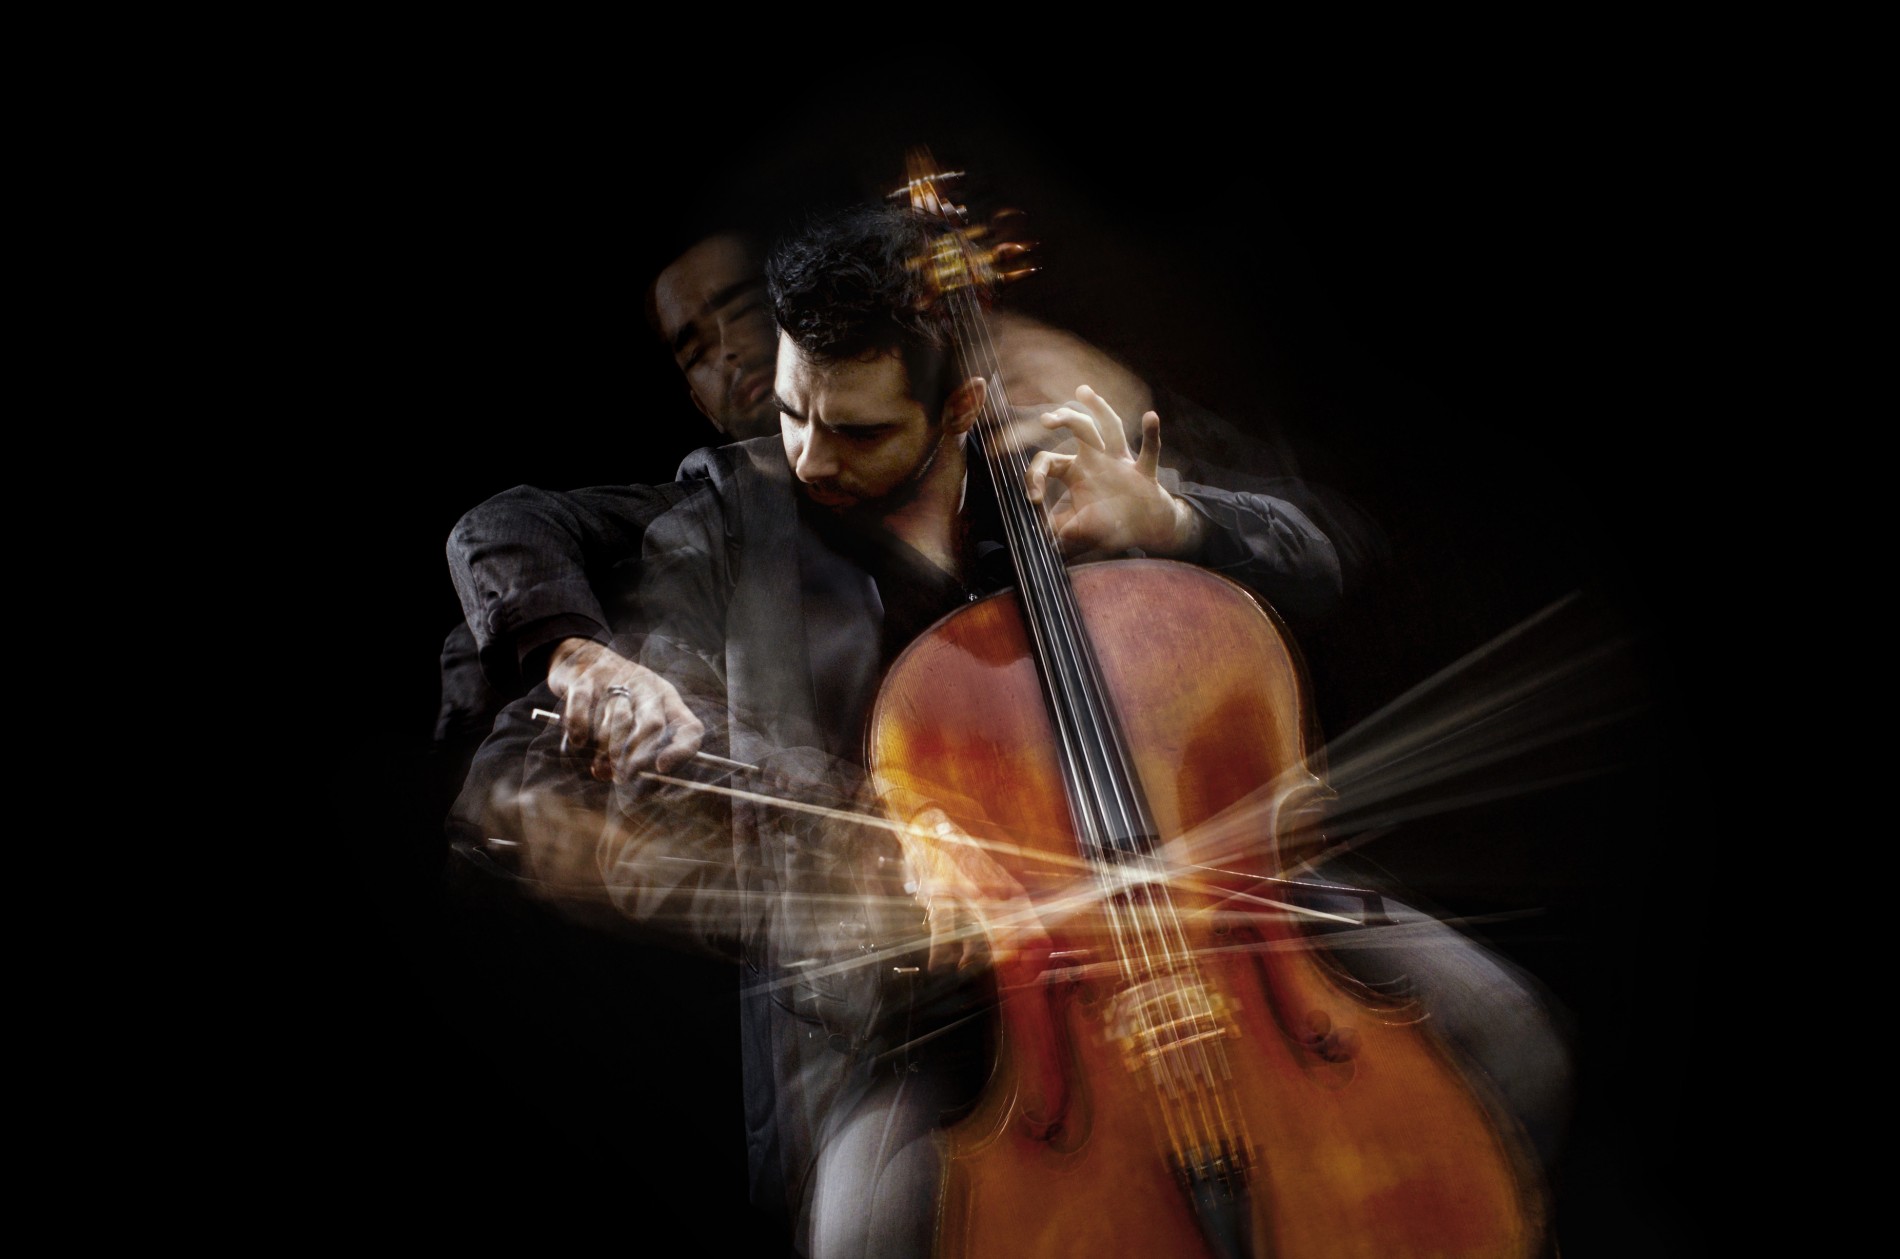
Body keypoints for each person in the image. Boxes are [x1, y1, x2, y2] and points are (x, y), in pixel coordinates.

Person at [446, 198, 1572, 1257]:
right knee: (864, 1233)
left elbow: (1316, 557)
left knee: (1506, 1031)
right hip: (922, 1004)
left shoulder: (1049, 466)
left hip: (1206, 905)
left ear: (960, 406)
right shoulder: (727, 525)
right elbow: (506, 542)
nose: (808, 455)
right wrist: (581, 655)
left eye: (856, 428)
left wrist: (1175, 515)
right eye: (790, 409)